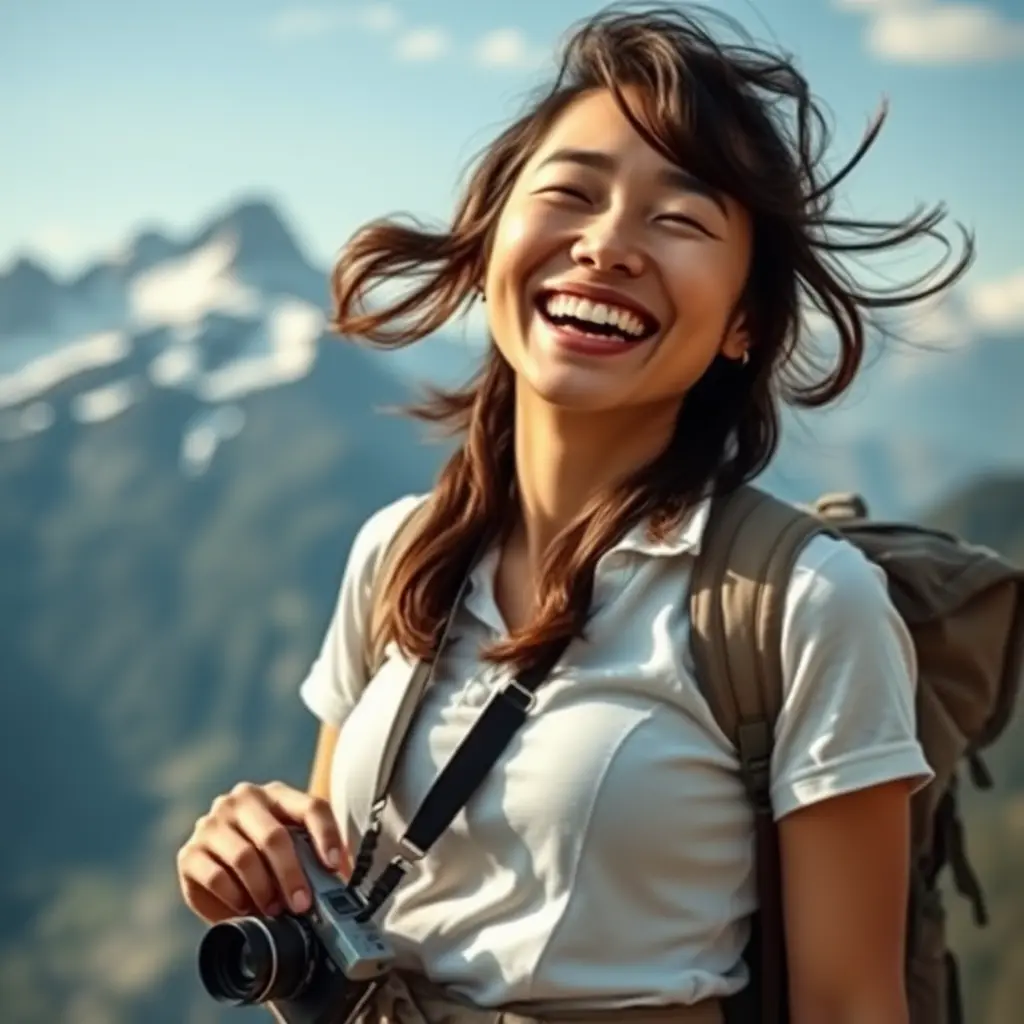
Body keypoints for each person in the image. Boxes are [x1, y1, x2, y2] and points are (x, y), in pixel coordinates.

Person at [176, 4, 974, 1022]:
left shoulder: (802, 605)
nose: (605, 246)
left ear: (743, 323)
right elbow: (338, 894)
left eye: (678, 220)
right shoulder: (395, 553)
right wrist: (251, 861)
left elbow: (849, 1006)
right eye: (568, 194)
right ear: (489, 241)